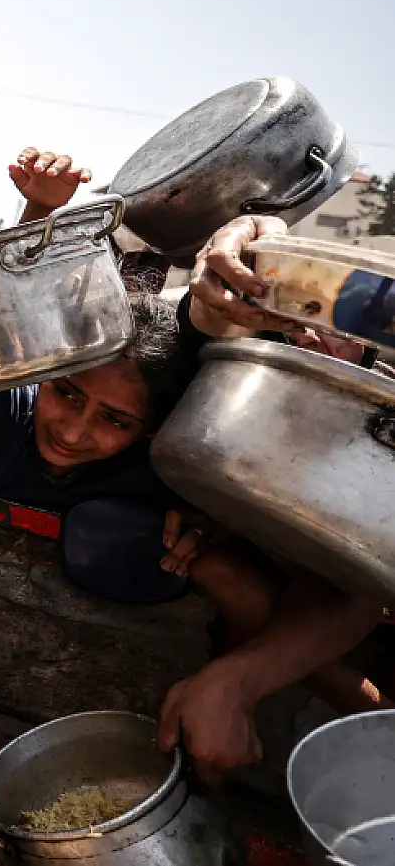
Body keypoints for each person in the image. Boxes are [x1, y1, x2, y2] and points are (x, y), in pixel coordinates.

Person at [151, 213, 387, 782]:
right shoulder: (249, 381)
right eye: (298, 317)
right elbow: (208, 306)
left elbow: (360, 572)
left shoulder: (380, 416)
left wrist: (237, 680)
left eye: (332, 321)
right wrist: (248, 231)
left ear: (366, 335)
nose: (310, 334)